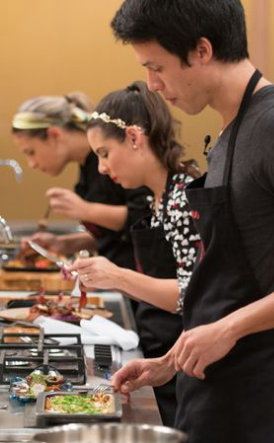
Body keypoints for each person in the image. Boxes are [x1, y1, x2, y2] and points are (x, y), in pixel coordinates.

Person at [109, 1, 274, 443]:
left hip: (264, 392)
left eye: (158, 68)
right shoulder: (230, 131)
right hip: (216, 383)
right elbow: (226, 286)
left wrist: (229, 329)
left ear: (202, 50)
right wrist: (170, 362)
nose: (152, 85)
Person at [72, 81, 202, 425]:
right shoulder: (155, 199)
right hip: (162, 357)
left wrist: (115, 275)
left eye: (104, 153)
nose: (101, 168)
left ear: (133, 137)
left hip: (189, 365)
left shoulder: (184, 199)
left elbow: (193, 295)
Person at [11, 93, 151, 272]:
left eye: (30, 152)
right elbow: (115, 235)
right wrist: (64, 244)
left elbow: (146, 218)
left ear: (54, 134)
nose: (31, 164)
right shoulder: (86, 166)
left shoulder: (114, 162)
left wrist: (86, 210)